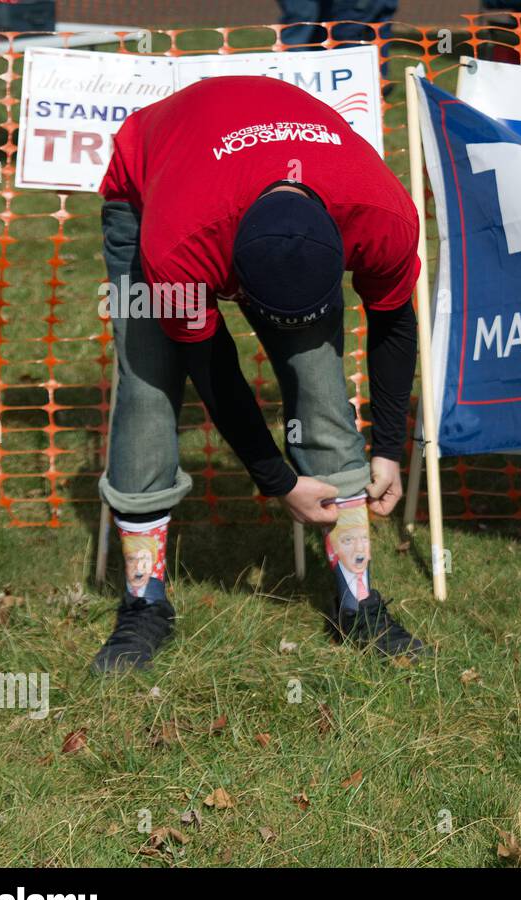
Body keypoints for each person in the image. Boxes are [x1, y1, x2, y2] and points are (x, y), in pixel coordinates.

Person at [92, 74, 422, 673]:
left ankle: (358, 601)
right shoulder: (178, 249)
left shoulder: (381, 214)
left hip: (255, 191)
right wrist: (277, 480)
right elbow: (211, 363)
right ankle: (144, 604)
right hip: (151, 196)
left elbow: (394, 324)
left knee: (319, 374)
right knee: (148, 384)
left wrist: (390, 450)